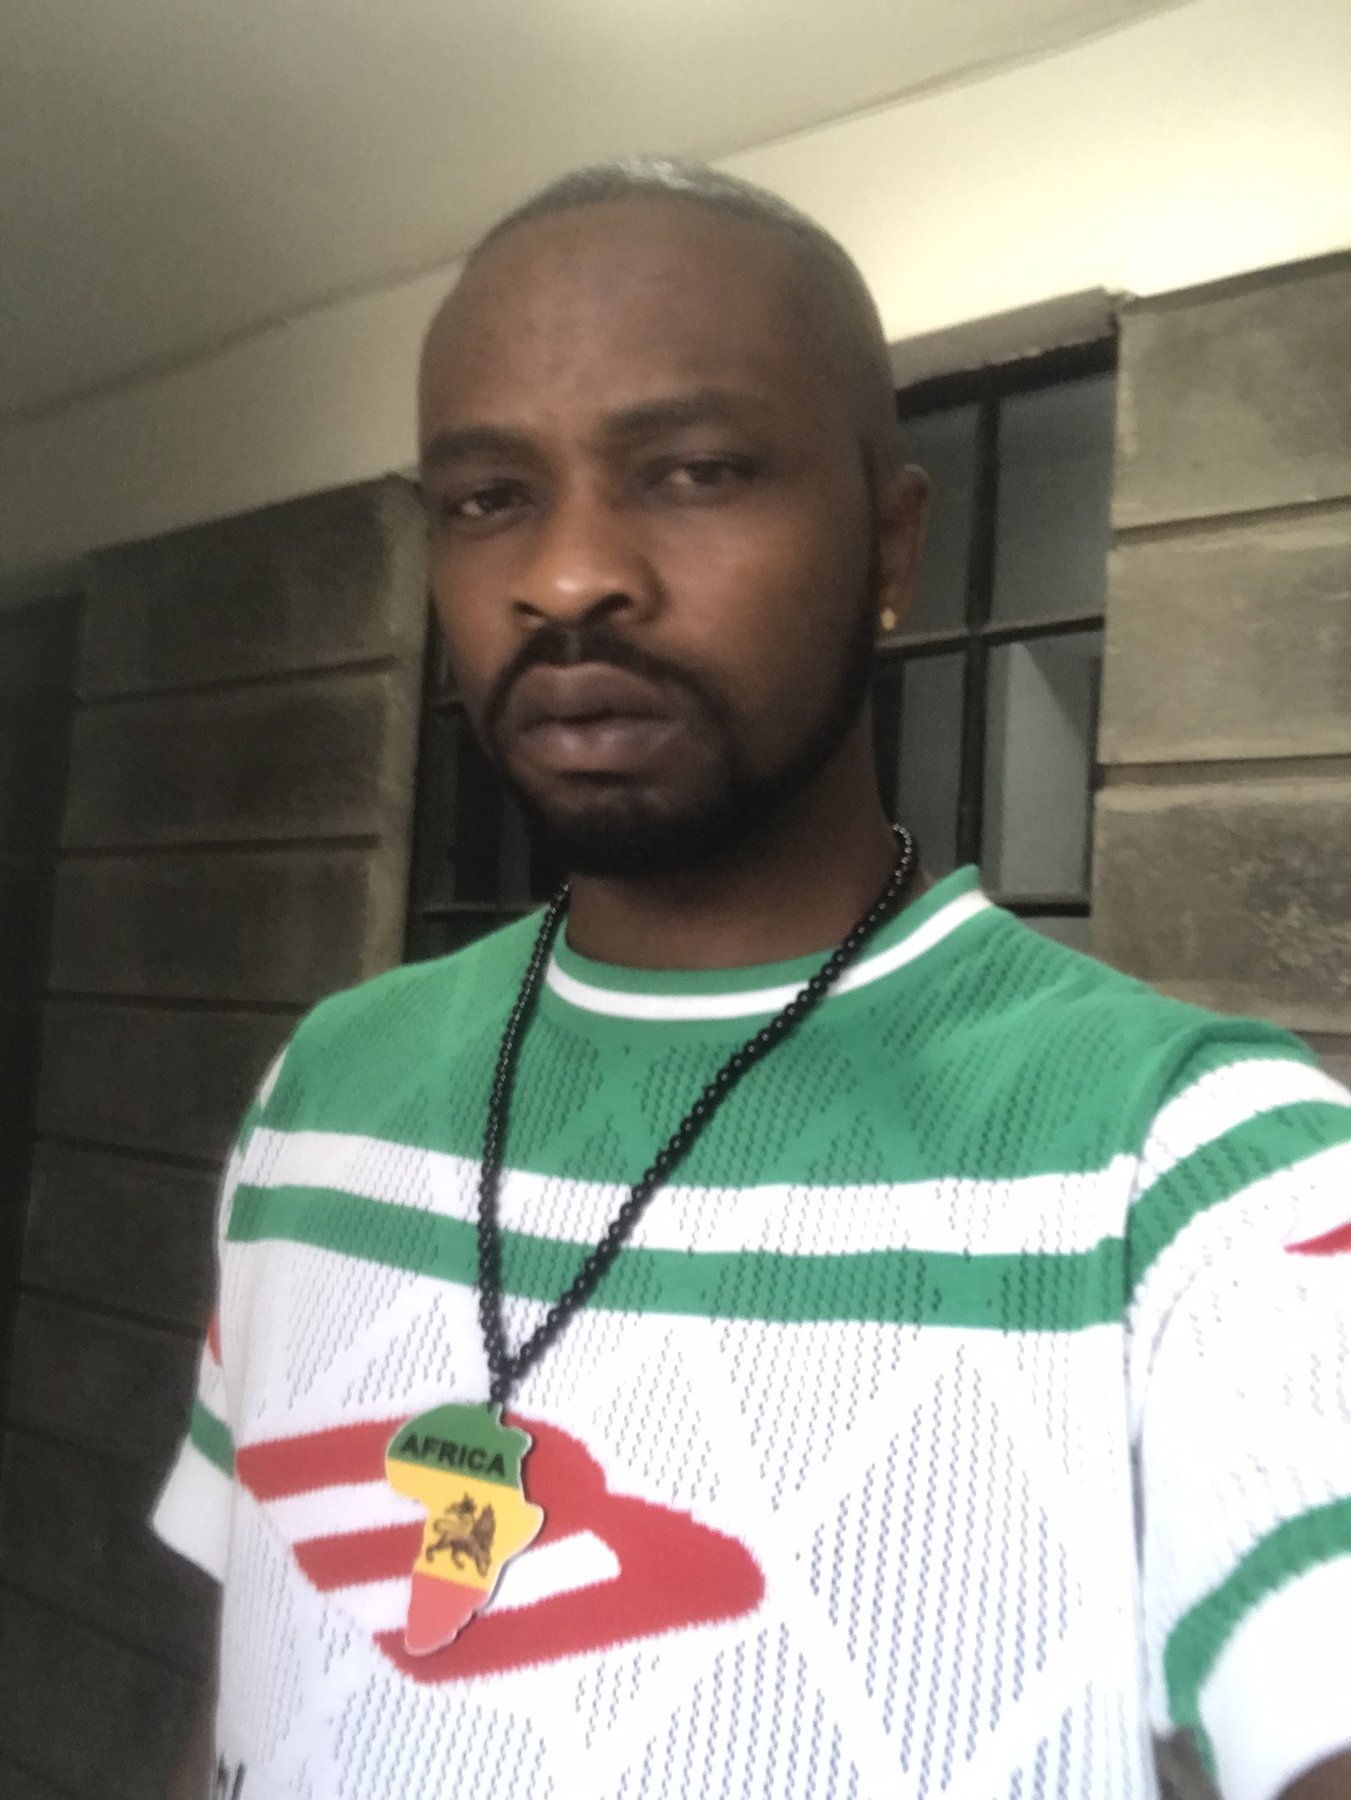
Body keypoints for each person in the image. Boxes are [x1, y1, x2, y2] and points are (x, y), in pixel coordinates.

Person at [157, 159, 1351, 1800]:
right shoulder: (325, 1082)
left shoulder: (1199, 1172)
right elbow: (253, 1679)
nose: (567, 576)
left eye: (696, 471)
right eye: (487, 497)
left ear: (892, 546)